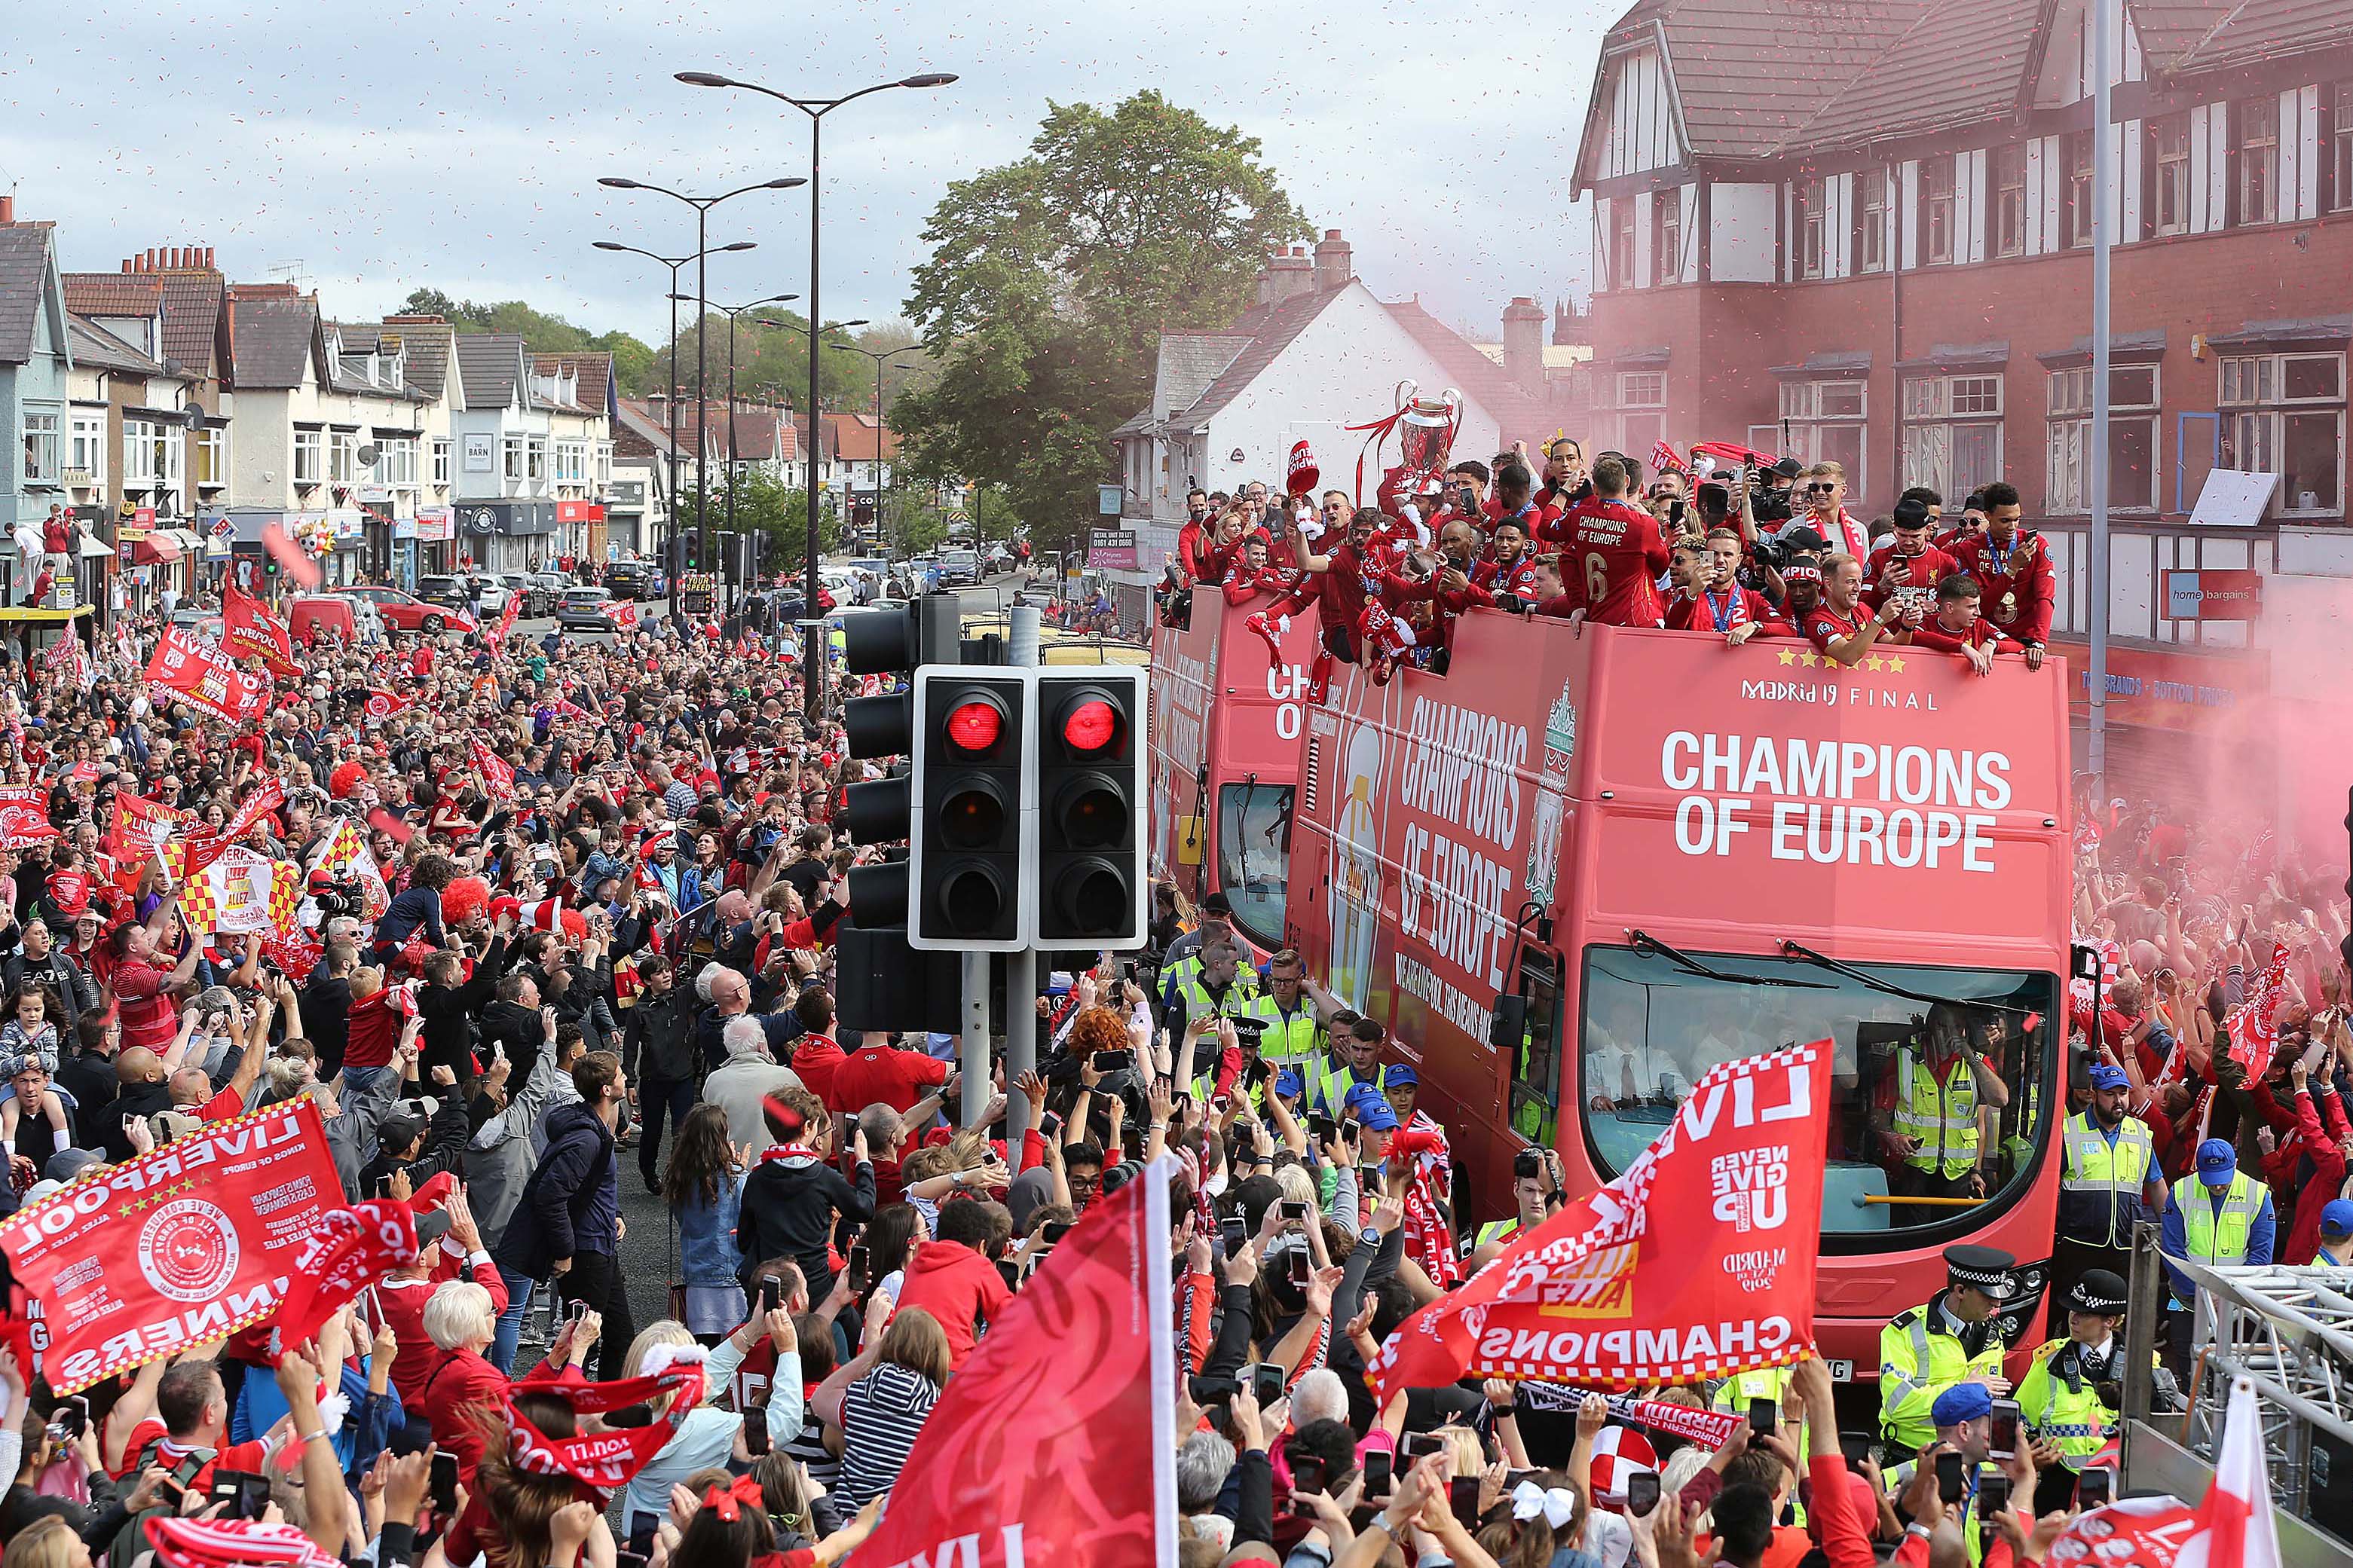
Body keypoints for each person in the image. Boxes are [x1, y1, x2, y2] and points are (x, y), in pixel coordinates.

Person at [495, 1049, 635, 1377]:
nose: (626, 1078)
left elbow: (593, 1182)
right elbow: (550, 1196)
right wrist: (564, 1252)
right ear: (605, 1089)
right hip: (585, 1252)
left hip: (599, 1243)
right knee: (581, 1346)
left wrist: (611, 1211)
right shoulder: (586, 1139)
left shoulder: (590, 1128)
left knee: (620, 1335)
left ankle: (607, 1411)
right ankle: (568, 1412)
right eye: (620, 1075)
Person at [2016, 1270, 2150, 1514]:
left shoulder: (2141, 1365)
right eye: (2072, 1310)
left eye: (2084, 1313)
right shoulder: (2048, 1362)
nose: (2073, 1319)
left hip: (2117, 1489)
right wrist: (2030, 1460)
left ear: (2109, 1321)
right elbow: (2020, 1421)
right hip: (2059, 1490)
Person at [1878, 1245, 2015, 1460]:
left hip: (1972, 1458)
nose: (1997, 1304)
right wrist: (1961, 1390)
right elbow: (1898, 1404)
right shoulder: (1905, 1332)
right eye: (1987, 1296)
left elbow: (1989, 1401)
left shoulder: (1992, 1334)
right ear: (1960, 1291)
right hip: (1915, 1455)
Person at [2051, 1062, 2162, 1319]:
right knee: (2070, 1313)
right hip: (2078, 1244)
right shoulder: (2069, 1131)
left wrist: (2168, 1228)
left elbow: (2155, 1183)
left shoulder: (2141, 1134)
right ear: (2094, 1094)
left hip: (2124, 1247)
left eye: (2122, 1094)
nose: (2119, 1101)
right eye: (2110, 1094)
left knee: (2118, 1316)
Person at [2159, 1137, 2275, 1377]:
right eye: (2211, 1181)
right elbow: (2172, 1250)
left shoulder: (2257, 1195)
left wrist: (2227, 1295)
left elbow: (2261, 1256)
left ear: (2236, 1164)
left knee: (2233, 1367)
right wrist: (2200, 1292)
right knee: (2187, 1359)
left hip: (2236, 1304)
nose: (2218, 1187)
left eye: (2223, 1180)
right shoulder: (2181, 1191)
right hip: (2187, 1299)